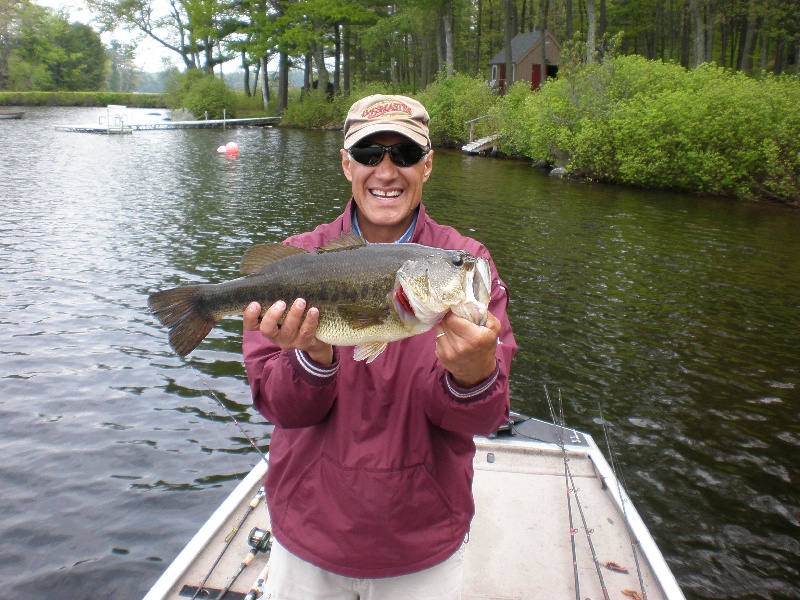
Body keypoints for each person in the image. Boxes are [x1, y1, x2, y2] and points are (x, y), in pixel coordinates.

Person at [241, 94, 517, 599]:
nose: (386, 171)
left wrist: (474, 377)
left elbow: (481, 419)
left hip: (421, 539)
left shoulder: (466, 264)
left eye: (404, 155)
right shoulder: (299, 260)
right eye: (369, 154)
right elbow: (280, 407)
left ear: (428, 165)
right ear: (346, 164)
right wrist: (313, 356)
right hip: (310, 532)